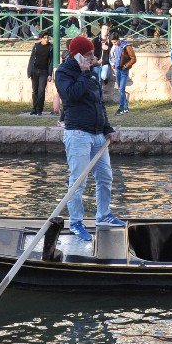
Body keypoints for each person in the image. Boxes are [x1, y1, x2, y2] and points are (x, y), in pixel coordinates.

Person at [54, 34, 122, 242]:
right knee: (78, 181)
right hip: (78, 134)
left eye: (93, 54)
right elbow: (70, 95)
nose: (93, 58)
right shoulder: (63, 73)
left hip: (97, 134)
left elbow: (98, 103)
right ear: (77, 56)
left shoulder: (92, 74)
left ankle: (103, 215)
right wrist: (83, 74)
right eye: (89, 54)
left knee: (105, 177)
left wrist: (107, 127)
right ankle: (76, 222)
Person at [27, 32, 54, 116]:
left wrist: (50, 74)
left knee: (41, 91)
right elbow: (31, 59)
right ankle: (34, 109)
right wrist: (29, 71)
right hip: (35, 71)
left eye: (48, 37)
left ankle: (39, 110)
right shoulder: (36, 46)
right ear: (41, 38)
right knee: (34, 90)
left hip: (44, 72)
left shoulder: (50, 47)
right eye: (45, 37)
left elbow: (51, 61)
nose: (47, 39)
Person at [110, 29, 136, 115]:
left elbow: (133, 59)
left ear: (118, 39)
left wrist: (125, 66)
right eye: (112, 43)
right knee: (121, 89)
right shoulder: (115, 47)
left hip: (124, 70)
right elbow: (113, 56)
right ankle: (125, 107)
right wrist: (113, 64)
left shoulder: (127, 46)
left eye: (115, 42)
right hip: (117, 69)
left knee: (121, 89)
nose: (114, 44)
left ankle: (121, 108)